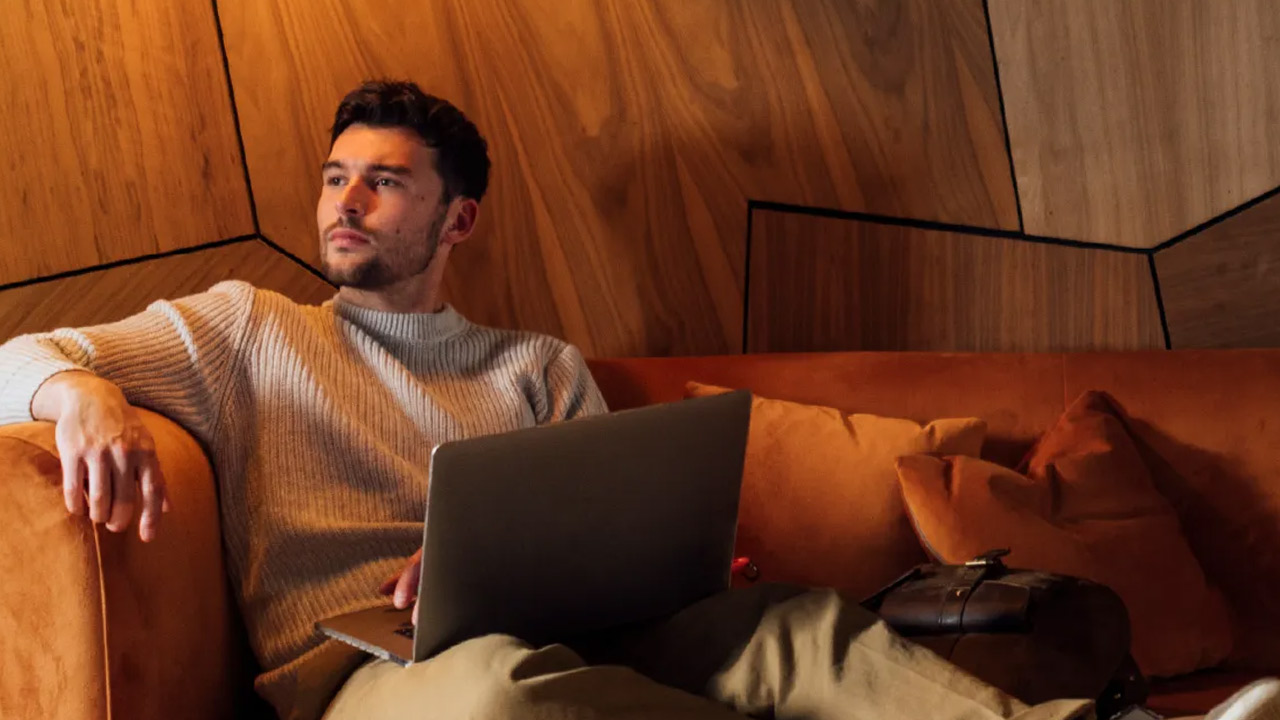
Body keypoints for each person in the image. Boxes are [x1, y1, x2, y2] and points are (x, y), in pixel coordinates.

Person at [0, 80, 1273, 720]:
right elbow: (16, 353)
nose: (342, 201)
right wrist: (86, 400)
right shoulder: (243, 331)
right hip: (362, 674)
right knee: (502, 691)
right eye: (335, 176)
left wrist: (665, 561)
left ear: (457, 218)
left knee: (788, 627)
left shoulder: (538, 367)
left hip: (586, 645)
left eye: (382, 182)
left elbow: (612, 548)